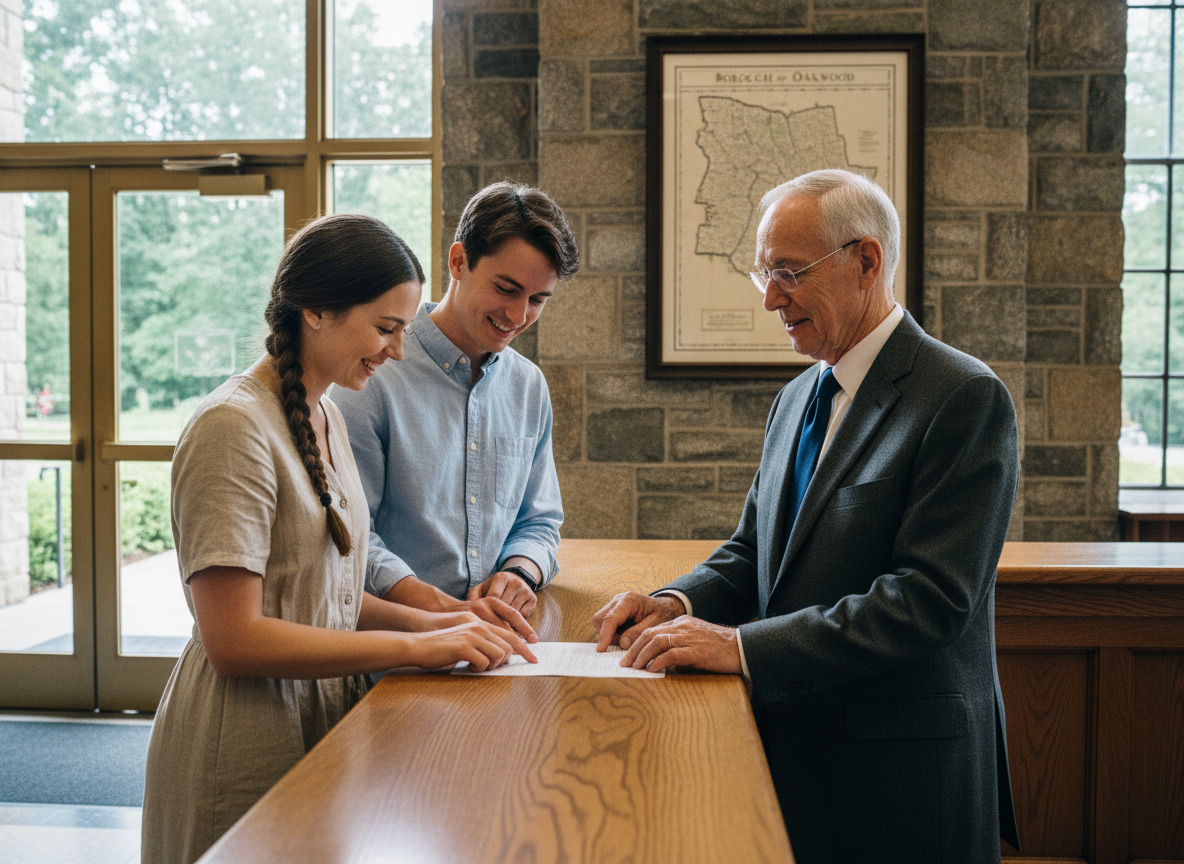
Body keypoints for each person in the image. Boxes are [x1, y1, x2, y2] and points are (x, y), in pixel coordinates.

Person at [593, 169, 1021, 864]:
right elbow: (753, 550)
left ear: (867, 261)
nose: (771, 298)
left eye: (788, 272)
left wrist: (740, 649)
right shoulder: (796, 398)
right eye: (764, 274)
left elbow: (929, 601)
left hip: (902, 778)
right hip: (794, 760)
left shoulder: (963, 396)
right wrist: (673, 602)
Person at [141, 214, 534, 864]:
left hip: (323, 717)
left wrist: (441, 620)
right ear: (316, 310)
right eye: (385, 328)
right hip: (243, 736)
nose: (397, 351)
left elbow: (326, 595)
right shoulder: (231, 427)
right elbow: (233, 640)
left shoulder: (324, 414)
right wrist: (417, 646)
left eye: (402, 330)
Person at [334, 182, 578, 634]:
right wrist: (441, 610)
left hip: (492, 639)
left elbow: (540, 520)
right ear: (459, 261)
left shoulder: (528, 385)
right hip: (390, 645)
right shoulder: (369, 374)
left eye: (537, 300)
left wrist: (520, 573)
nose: (518, 315)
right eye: (506, 288)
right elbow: (346, 534)